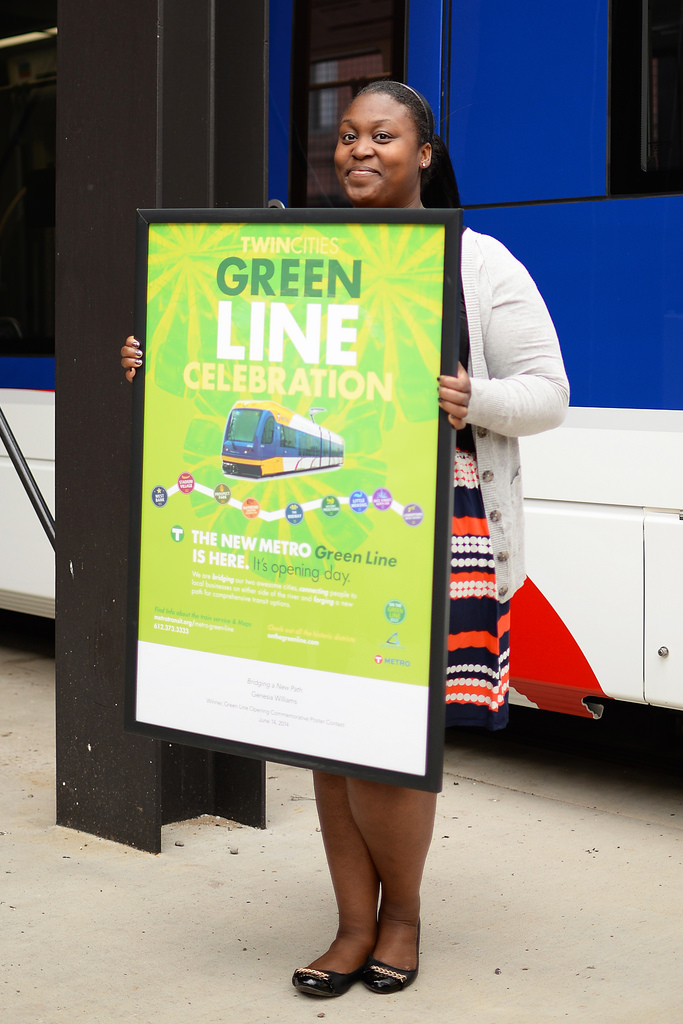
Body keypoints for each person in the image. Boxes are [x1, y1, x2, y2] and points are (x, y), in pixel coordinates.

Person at [121, 80, 569, 998]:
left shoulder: (478, 264)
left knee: (391, 745)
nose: (359, 149)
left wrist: (468, 397)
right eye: (348, 134)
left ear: (425, 155)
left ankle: (400, 919)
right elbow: (241, 366)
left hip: (438, 530)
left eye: (384, 135)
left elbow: (548, 391)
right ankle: (350, 927)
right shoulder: (303, 255)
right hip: (323, 524)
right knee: (330, 736)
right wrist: (157, 364)